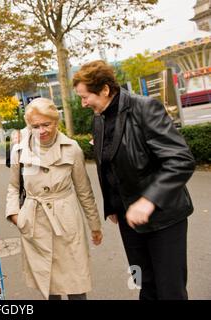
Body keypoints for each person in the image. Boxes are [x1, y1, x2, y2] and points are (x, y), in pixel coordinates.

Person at [73, 60, 195, 300]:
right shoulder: (98, 118)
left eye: (86, 97)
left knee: (170, 290)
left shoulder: (145, 108)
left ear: (105, 90)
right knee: (144, 283)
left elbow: (181, 159)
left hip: (163, 216)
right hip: (128, 218)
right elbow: (107, 163)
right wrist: (112, 205)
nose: (83, 103)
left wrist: (149, 200)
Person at [5, 97, 103, 300]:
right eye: (35, 126)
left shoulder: (72, 148)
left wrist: (94, 225)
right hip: (35, 223)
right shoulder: (19, 151)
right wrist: (16, 216)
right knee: (48, 287)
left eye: (46, 124)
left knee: (76, 285)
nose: (41, 131)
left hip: (67, 223)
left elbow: (84, 190)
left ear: (56, 121)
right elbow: (14, 187)